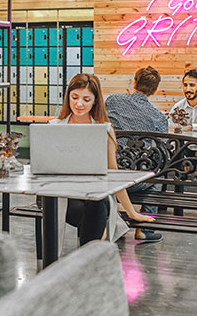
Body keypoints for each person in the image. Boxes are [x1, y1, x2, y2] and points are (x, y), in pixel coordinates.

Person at [50, 73, 161, 244]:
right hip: (62, 194)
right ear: (68, 97)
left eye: (86, 99)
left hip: (95, 195)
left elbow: (113, 173)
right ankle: (95, 250)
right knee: (92, 210)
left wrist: (131, 211)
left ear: (95, 101)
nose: (79, 104)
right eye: (74, 97)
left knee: (97, 204)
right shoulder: (54, 127)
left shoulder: (104, 129)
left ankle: (91, 251)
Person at [105, 66, 166, 221]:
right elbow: (163, 150)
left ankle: (116, 218)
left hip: (109, 173)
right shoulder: (158, 117)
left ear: (134, 83)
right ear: (155, 90)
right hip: (135, 179)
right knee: (157, 176)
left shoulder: (113, 100)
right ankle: (144, 228)